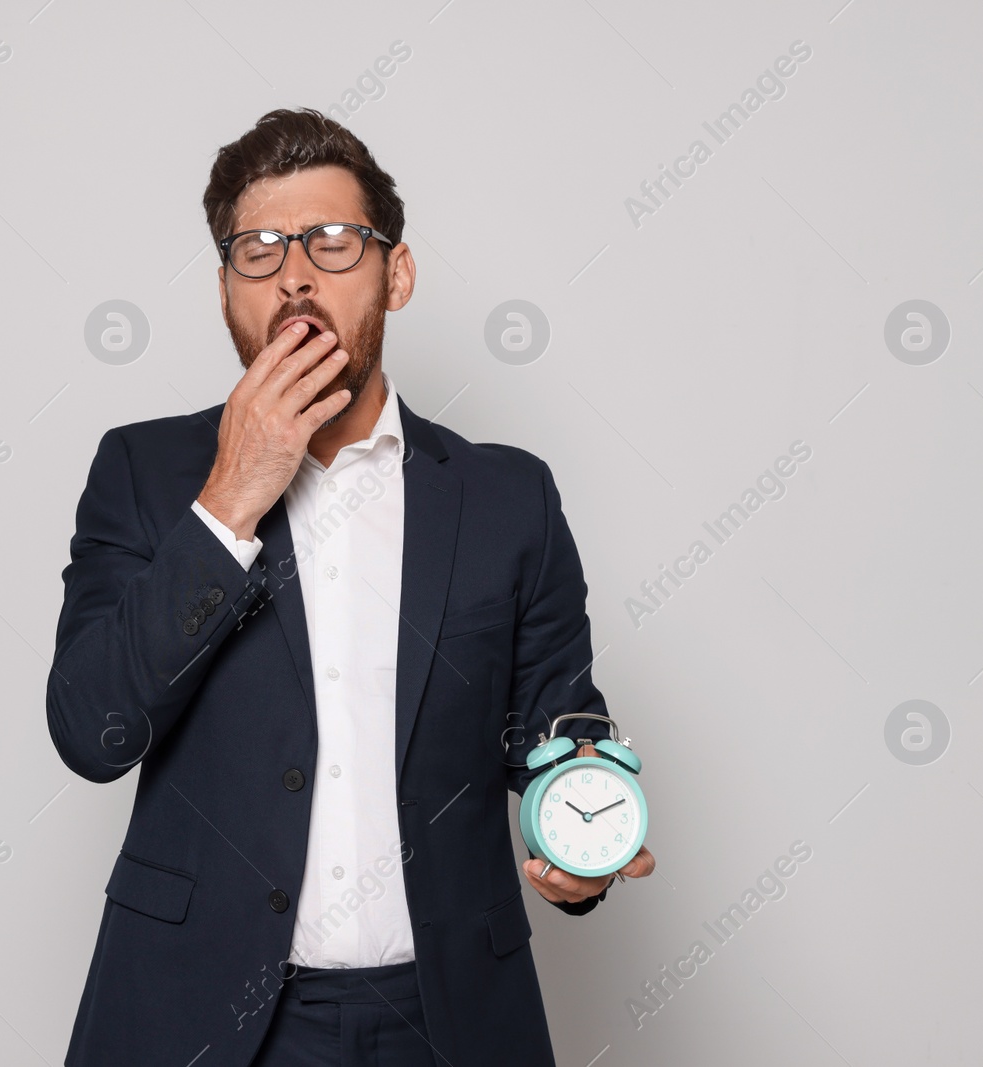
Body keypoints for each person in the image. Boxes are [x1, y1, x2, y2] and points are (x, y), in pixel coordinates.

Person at [48, 106, 654, 1067]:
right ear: (223, 292)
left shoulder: (508, 496)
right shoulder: (145, 473)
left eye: (332, 243)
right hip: (200, 1013)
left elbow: (557, 730)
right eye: (259, 250)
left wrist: (581, 847)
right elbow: (92, 731)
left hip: (448, 1015)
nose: (294, 273)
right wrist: (230, 499)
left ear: (395, 274)